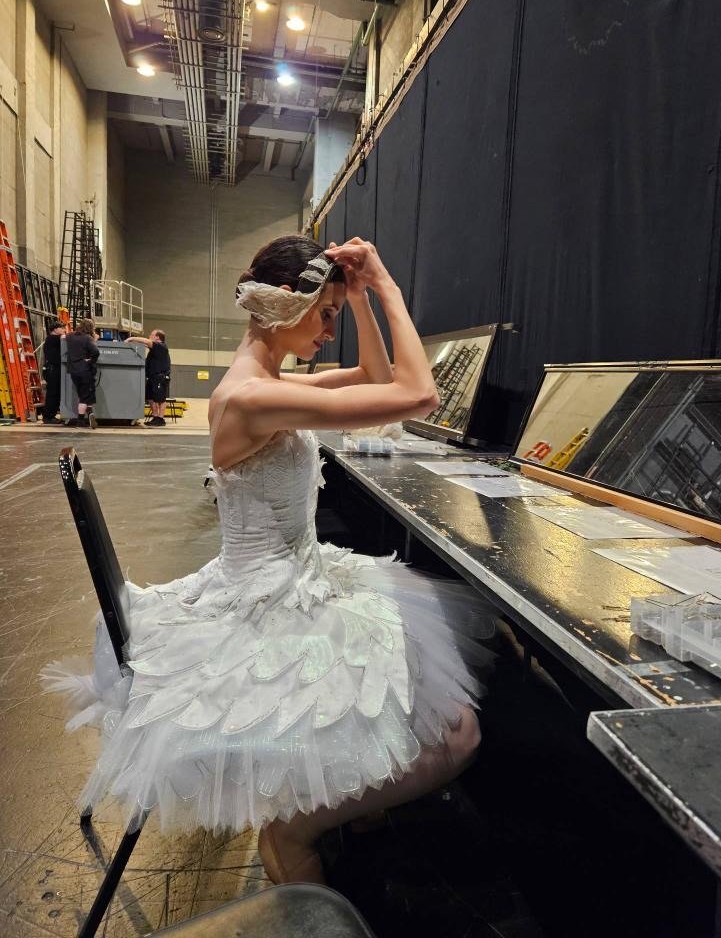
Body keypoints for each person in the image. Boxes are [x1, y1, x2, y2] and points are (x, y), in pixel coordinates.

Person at [42, 235, 494, 885]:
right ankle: (294, 831)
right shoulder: (251, 397)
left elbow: (373, 378)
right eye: (327, 313)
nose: (331, 329)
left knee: (439, 721)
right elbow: (419, 396)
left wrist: (358, 297)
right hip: (267, 605)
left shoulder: (271, 382)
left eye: (337, 316)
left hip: (301, 579)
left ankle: (334, 810)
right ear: (287, 303)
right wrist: (387, 285)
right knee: (456, 737)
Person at [125, 329, 171, 426]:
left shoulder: (161, 346)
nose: (149, 336)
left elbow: (146, 342)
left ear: (157, 337)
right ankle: (155, 417)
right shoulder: (155, 348)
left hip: (160, 378)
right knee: (150, 398)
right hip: (152, 378)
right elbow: (145, 344)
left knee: (160, 399)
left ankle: (160, 418)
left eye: (151, 335)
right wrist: (134, 342)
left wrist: (131, 338)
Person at [64, 318, 100, 428]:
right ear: (91, 328)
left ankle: (90, 413)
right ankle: (80, 421)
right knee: (85, 396)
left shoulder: (69, 336)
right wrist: (91, 360)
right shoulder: (88, 338)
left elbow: (63, 338)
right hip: (84, 370)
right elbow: (96, 352)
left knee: (82, 394)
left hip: (73, 370)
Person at [41, 320, 66, 424]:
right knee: (53, 393)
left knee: (55, 393)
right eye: (62, 328)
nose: (64, 330)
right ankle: (48, 416)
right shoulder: (52, 338)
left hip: (53, 370)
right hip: (52, 370)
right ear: (55, 329)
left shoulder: (54, 339)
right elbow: (63, 339)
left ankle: (51, 415)